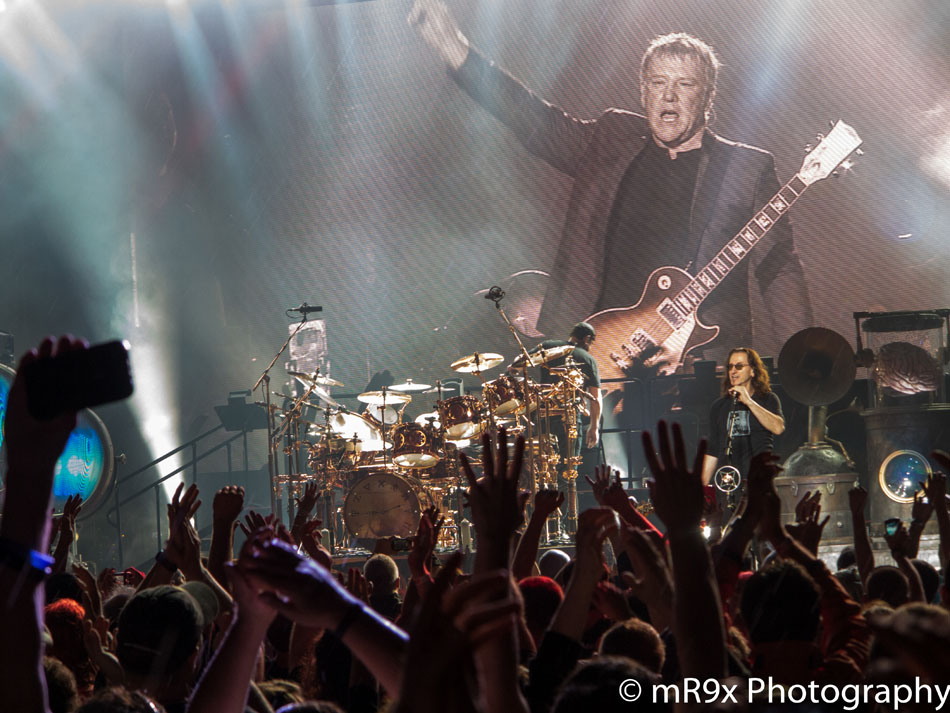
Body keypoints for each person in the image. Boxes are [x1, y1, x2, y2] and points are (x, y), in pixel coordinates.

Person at [409, 5, 811, 367]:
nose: (668, 95)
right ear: (643, 91)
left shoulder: (745, 167)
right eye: (657, 83)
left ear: (707, 96)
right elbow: (533, 119)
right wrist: (454, 47)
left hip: (696, 363)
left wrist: (806, 366)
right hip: (598, 359)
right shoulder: (611, 138)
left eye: (685, 85)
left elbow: (779, 269)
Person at [513, 322, 602, 484]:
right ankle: (567, 504)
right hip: (569, 419)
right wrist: (594, 427)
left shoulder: (548, 346)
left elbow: (518, 364)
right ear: (587, 338)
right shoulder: (588, 359)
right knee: (569, 468)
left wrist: (513, 371)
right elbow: (596, 398)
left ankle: (540, 501)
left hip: (542, 415)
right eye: (591, 342)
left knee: (538, 466)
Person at [701, 347, 784, 487]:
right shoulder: (719, 406)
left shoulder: (767, 399)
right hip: (727, 481)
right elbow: (713, 450)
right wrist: (700, 489)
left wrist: (748, 401)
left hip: (758, 482)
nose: (733, 371)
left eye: (739, 366)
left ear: (752, 371)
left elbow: (778, 428)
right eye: (730, 367)